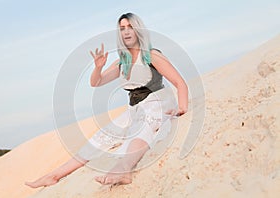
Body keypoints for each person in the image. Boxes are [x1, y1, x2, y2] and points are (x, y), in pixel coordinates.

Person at [25, 12, 188, 188]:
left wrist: (182, 107)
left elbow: (180, 82)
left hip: (157, 102)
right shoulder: (122, 62)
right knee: (101, 137)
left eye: (130, 27)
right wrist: (98, 67)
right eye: (122, 29)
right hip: (135, 107)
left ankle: (124, 170)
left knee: (143, 130)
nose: (126, 32)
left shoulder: (151, 55)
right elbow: (97, 82)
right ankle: (54, 175)